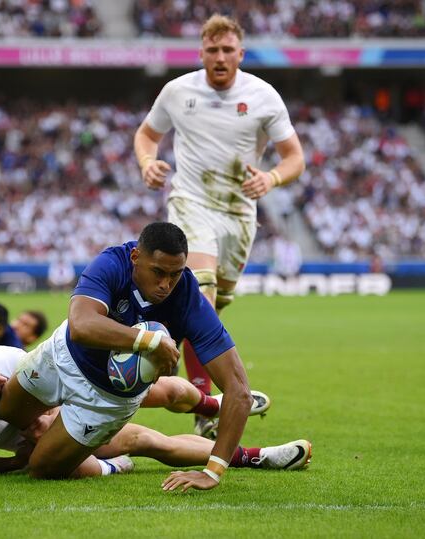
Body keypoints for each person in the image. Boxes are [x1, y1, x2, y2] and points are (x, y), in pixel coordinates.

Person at [133, 14, 306, 436]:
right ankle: (205, 406)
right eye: (213, 50)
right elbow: (146, 135)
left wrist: (272, 177)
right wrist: (147, 162)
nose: (220, 57)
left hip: (239, 214)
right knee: (201, 295)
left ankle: (189, 379)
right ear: (201, 53)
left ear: (240, 54)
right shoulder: (178, 91)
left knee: (210, 310)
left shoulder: (263, 96)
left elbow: (294, 157)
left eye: (228, 50)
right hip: (191, 203)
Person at [0, 222, 261, 490]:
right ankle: (62, 426)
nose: (165, 284)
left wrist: (212, 473)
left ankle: (111, 463)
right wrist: (152, 342)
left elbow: (240, 390)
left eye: (175, 274)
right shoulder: (112, 262)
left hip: (107, 399)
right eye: (158, 272)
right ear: (136, 257)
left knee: (40, 468)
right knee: (5, 410)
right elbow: (81, 325)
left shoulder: (189, 299)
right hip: (63, 357)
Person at [0, 347, 309, 478]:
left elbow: (47, 377)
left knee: (156, 389)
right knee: (145, 439)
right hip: (57, 435)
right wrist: (14, 464)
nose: (1, 379)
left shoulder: (1, 358)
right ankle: (258, 456)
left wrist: (59, 407)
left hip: (66, 393)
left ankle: (214, 404)